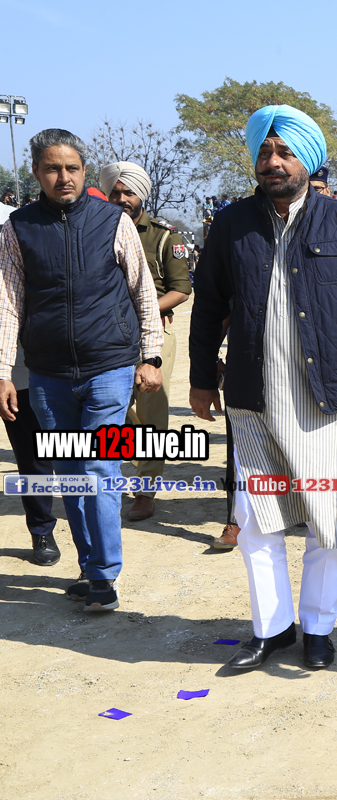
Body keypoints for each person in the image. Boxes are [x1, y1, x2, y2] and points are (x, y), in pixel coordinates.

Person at [190, 104, 337, 671]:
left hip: (334, 400)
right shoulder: (231, 225)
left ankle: (318, 628)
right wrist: (201, 378)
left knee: (330, 520)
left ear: (308, 159)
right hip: (255, 401)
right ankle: (273, 628)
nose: (273, 162)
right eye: (265, 151)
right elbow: (208, 307)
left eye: (285, 152)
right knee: (256, 521)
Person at [0, 128, 163, 611]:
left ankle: (105, 576)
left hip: (108, 367)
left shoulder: (114, 221)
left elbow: (142, 290)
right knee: (70, 473)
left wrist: (150, 355)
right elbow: (8, 303)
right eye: (52, 168)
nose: (63, 177)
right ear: (36, 172)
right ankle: (91, 567)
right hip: (48, 375)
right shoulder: (17, 229)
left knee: (98, 467)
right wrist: (4, 371)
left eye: (72, 167)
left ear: (84, 171)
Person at [99, 161, 193, 521]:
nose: (121, 199)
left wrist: (140, 310)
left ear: (142, 195)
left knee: (151, 413)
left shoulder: (164, 237)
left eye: (129, 192)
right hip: (105, 336)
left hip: (152, 334)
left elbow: (181, 290)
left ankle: (145, 490)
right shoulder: (94, 230)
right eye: (115, 192)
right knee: (112, 409)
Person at [0, 201, 58, 567]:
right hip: (12, 368)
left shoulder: (16, 222)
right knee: (30, 454)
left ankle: (91, 536)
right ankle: (42, 530)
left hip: (48, 359)